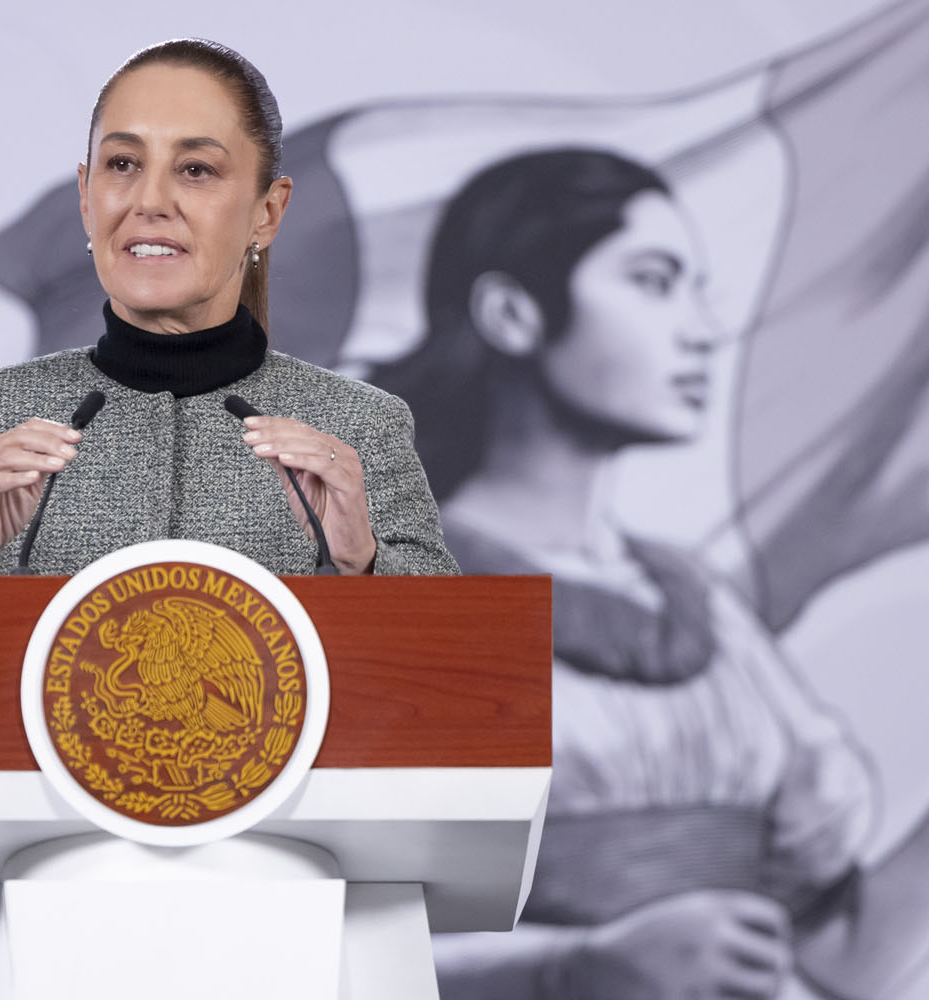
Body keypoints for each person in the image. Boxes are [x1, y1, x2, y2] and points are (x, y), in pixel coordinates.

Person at [373, 147, 929, 999]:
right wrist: (578, 967)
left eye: (697, 289)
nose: (702, 329)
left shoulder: (701, 606)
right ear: (513, 314)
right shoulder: (410, 592)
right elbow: (317, 948)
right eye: (654, 282)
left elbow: (841, 956)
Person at [0, 39, 458, 579]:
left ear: (267, 213)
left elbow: (449, 644)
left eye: (195, 169)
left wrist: (364, 562)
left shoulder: (360, 427)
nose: (150, 201)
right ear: (86, 198)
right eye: (123, 164)